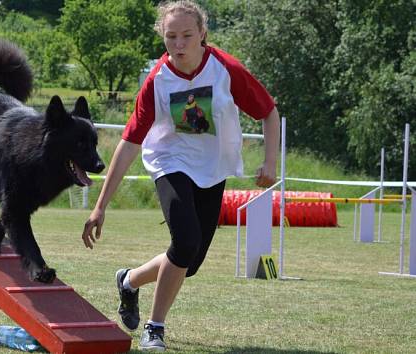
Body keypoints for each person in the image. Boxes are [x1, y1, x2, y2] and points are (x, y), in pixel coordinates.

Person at [81, 1, 280, 351]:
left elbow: (268, 111)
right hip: (169, 161)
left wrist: (270, 163)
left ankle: (128, 281)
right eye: (171, 36)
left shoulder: (225, 69)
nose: (179, 44)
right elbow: (128, 143)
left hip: (212, 168)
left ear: (202, 34)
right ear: (163, 37)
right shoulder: (158, 79)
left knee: (189, 261)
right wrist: (100, 206)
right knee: (186, 241)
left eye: (187, 35)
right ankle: (154, 328)